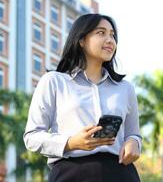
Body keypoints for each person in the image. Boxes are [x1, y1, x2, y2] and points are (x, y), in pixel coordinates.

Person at [23, 13, 142, 182]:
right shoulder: (54, 81)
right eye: (101, 33)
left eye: (112, 35)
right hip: (71, 172)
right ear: (81, 40)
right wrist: (71, 142)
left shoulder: (125, 88)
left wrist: (133, 143)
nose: (110, 40)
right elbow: (32, 136)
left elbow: (133, 134)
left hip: (120, 172)